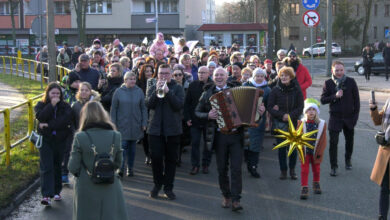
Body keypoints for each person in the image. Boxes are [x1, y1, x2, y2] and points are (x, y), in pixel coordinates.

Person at [195, 67, 265, 211]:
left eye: (222, 75)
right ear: (213, 77)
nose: (219, 77)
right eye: (217, 75)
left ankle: (236, 199)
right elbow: (197, 111)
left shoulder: (238, 90)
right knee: (222, 169)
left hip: (236, 136)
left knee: (236, 169)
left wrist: (260, 112)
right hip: (219, 136)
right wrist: (207, 115)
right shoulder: (207, 93)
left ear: (227, 76)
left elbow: (253, 116)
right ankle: (226, 195)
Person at [68, 101, 128, 220]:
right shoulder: (116, 135)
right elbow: (118, 163)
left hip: (86, 185)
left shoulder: (80, 137)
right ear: (103, 114)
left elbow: (73, 167)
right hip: (110, 185)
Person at [145, 64, 184, 200]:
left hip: (172, 130)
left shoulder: (178, 88)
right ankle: (157, 185)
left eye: (166, 73)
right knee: (155, 159)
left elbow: (178, 105)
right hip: (155, 130)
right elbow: (149, 104)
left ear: (171, 74)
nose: (163, 76)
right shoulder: (152, 86)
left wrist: (168, 92)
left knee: (171, 160)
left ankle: (168, 187)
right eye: (161, 73)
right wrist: (156, 91)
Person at [35, 82, 73, 205]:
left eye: (58, 93)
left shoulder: (65, 106)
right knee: (46, 166)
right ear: (48, 94)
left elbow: (64, 121)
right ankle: (46, 195)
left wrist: (48, 125)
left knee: (57, 165)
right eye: (53, 93)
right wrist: (51, 105)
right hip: (46, 140)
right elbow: (41, 117)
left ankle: (57, 191)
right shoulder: (41, 105)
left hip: (60, 141)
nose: (55, 96)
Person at [320, 60, 360, 176]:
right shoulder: (328, 83)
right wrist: (335, 96)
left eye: (341, 70)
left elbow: (356, 102)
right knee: (333, 142)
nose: (339, 72)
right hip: (335, 117)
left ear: (344, 70)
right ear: (332, 70)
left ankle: (348, 160)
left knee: (349, 141)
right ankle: (334, 166)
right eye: (336, 70)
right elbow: (323, 100)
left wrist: (355, 117)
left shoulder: (351, 82)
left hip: (349, 118)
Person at [267, 67, 304, 180]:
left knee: (292, 149)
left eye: (286, 75)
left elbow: (300, 107)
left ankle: (292, 170)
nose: (283, 77)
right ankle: (283, 171)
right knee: (282, 149)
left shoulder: (297, 90)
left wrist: (290, 115)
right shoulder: (275, 90)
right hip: (280, 123)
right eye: (281, 75)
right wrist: (281, 115)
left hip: (293, 123)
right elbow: (270, 107)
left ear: (291, 77)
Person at [111, 72, 147, 177]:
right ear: (125, 80)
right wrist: (113, 124)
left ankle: (130, 168)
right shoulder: (118, 92)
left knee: (132, 149)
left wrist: (144, 122)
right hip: (122, 125)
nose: (132, 81)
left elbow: (143, 108)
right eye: (130, 79)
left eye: (134, 79)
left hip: (135, 125)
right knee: (122, 148)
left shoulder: (139, 91)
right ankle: (120, 168)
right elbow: (114, 109)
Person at [184, 66, 213, 175]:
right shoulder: (193, 85)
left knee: (207, 144)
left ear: (208, 73)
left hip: (208, 120)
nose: (201, 74)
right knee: (195, 143)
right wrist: (187, 118)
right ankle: (195, 165)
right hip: (194, 120)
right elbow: (187, 103)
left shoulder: (213, 86)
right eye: (199, 72)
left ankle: (205, 164)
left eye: (203, 72)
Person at [243, 68, 270, 178]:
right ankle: (248, 162)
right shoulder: (245, 85)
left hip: (259, 121)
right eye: (257, 76)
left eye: (261, 76)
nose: (259, 78)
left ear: (264, 77)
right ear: (253, 77)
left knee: (256, 145)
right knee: (246, 144)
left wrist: (265, 110)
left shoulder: (268, 89)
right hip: (245, 120)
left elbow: (270, 105)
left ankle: (253, 166)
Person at [297, 98, 327, 200]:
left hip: (316, 151)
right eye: (309, 110)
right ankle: (304, 187)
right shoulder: (301, 123)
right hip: (305, 152)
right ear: (305, 112)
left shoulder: (321, 124)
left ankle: (316, 183)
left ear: (316, 112)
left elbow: (323, 140)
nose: (311, 112)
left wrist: (320, 151)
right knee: (304, 170)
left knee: (316, 169)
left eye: (313, 110)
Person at [369, 97, 390, 220]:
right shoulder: (389, 101)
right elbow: (378, 120)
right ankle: (382, 216)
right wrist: (373, 108)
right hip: (386, 151)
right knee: (384, 187)